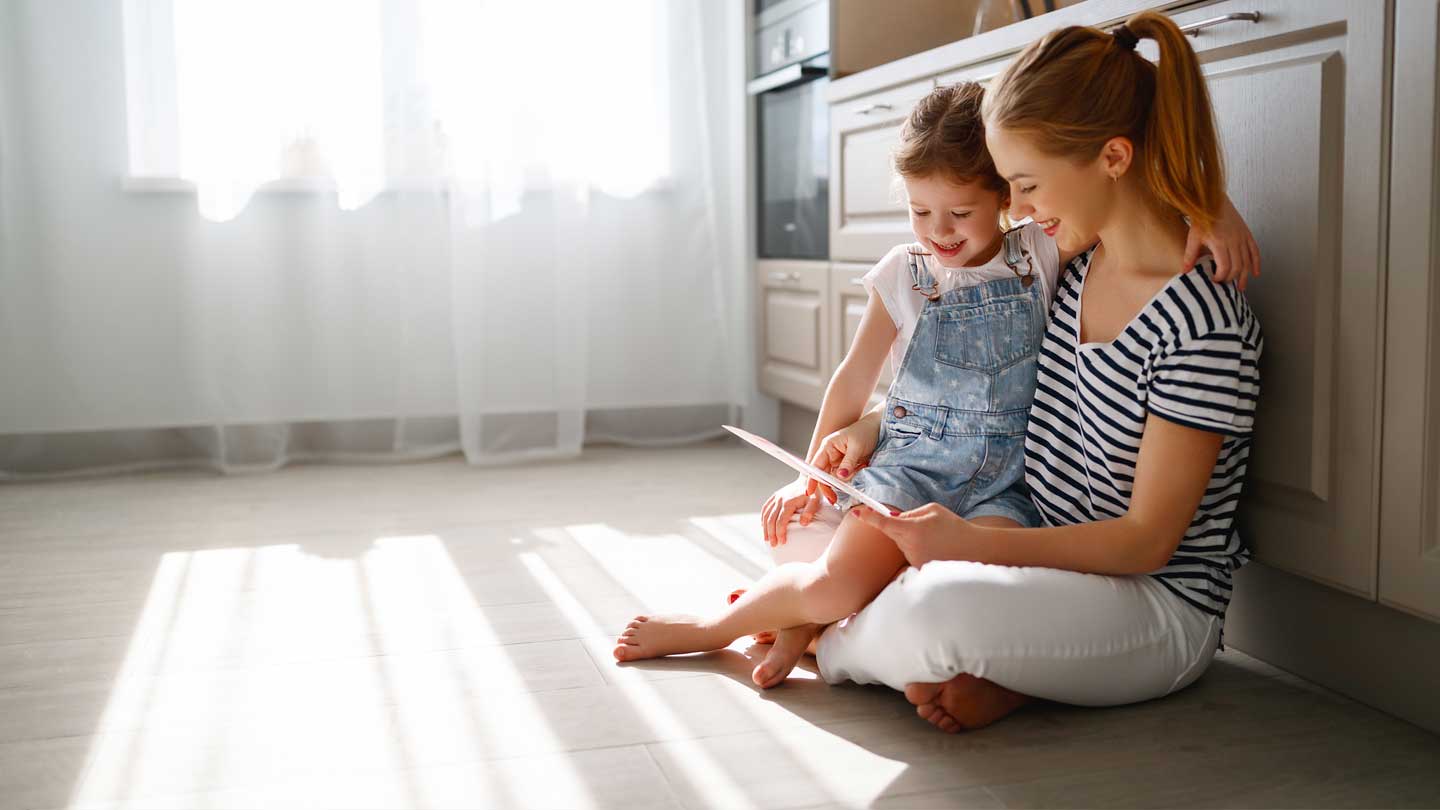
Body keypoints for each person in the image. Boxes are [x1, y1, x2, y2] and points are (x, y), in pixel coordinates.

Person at [768, 10, 1264, 734]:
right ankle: (997, 671)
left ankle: (823, 635)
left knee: (934, 602)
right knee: (813, 536)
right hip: (1042, 548)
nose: (1016, 211)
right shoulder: (1069, 267)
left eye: (1026, 187)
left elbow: (1144, 544)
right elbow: (984, 386)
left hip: (1151, 599)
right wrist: (878, 427)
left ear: (1114, 160)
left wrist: (969, 546)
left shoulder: (1204, 323)